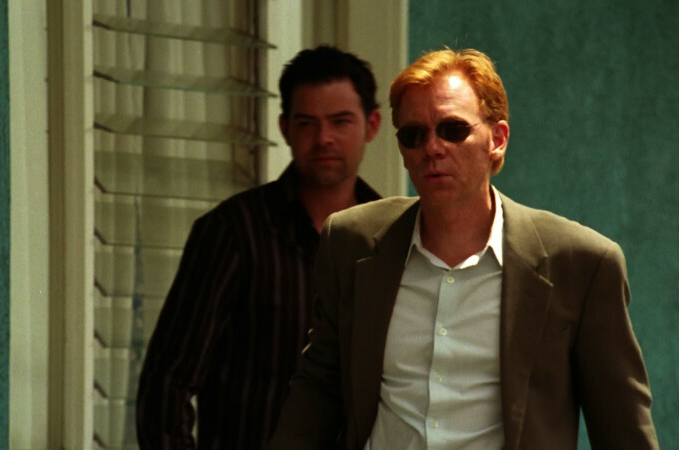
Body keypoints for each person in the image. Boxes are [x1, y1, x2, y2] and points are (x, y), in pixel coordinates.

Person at [269, 48, 658, 449]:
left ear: (497, 139)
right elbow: (318, 390)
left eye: (453, 129)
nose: (432, 148)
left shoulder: (581, 264)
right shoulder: (352, 242)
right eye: (413, 135)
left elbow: (622, 428)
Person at [136, 45, 383, 449]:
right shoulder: (233, 232)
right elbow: (167, 386)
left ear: (371, 125)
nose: (323, 138)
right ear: (285, 128)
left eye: (340, 121)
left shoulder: (391, 239)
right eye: (307, 123)